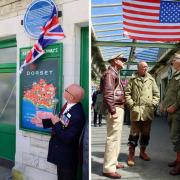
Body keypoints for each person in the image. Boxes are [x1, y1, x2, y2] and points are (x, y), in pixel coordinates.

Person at [32, 84, 85, 180]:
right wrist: (42, 121)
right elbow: (61, 121)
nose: (64, 90)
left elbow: (67, 138)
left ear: (71, 97)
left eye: (66, 90)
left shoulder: (77, 114)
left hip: (67, 158)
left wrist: (56, 123)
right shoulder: (69, 106)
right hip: (61, 155)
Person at [125, 61, 160, 167]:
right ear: (138, 68)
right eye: (143, 67)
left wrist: (153, 105)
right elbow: (127, 94)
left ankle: (142, 152)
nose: (145, 68)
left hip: (147, 112)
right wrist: (132, 106)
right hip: (136, 112)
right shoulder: (132, 79)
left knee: (146, 134)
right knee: (134, 134)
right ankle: (131, 155)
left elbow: (157, 94)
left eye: (146, 67)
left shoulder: (151, 79)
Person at [101, 54, 127, 179]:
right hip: (115, 108)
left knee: (116, 137)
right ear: (116, 61)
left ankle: (113, 162)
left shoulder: (114, 73)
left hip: (117, 108)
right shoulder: (110, 74)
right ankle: (108, 168)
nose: (124, 62)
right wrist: (113, 111)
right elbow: (108, 93)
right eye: (122, 60)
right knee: (112, 138)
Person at [161, 53, 180, 175]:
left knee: (177, 138)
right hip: (172, 112)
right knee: (175, 137)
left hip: (177, 112)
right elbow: (169, 91)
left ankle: (179, 164)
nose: (172, 62)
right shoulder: (175, 74)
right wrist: (163, 103)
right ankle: (178, 159)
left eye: (174, 60)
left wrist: (174, 106)